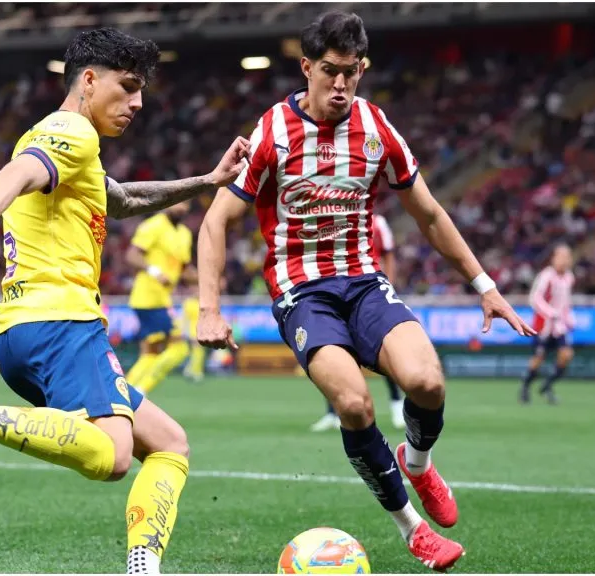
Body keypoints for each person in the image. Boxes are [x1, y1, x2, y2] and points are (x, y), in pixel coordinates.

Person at [0, 28, 249, 575]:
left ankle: (143, 564)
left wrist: (209, 180)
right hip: (62, 322)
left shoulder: (70, 147)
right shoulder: (71, 131)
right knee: (115, 456)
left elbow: (121, 199)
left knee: (168, 444)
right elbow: (15, 174)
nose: (138, 103)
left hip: (26, 331)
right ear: (89, 81)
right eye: (128, 87)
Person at [196, 12, 534, 572]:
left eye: (351, 72)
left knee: (426, 381)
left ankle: (419, 463)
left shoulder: (376, 128)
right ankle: (414, 531)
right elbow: (215, 222)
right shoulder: (272, 133)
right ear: (306, 67)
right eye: (329, 71)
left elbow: (427, 212)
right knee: (353, 403)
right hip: (302, 293)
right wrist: (210, 309)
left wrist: (485, 286)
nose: (340, 85)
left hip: (364, 283)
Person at [311, 213, 405, 430]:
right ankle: (333, 412)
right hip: (339, 293)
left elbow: (388, 255)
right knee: (335, 351)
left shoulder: (378, 222)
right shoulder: (333, 219)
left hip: (371, 294)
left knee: (382, 350)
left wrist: (388, 285)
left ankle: (396, 403)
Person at [125, 201, 196, 394]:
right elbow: (132, 255)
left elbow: (185, 269)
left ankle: (123, 392)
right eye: (177, 202)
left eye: (185, 203)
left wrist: (209, 279)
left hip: (162, 299)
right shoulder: (153, 225)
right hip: (148, 297)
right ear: (167, 203)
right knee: (179, 348)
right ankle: (140, 391)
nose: (181, 207)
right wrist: (155, 271)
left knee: (150, 353)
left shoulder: (185, 234)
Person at [519, 244, 575, 405]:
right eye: (561, 257)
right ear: (554, 258)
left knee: (566, 355)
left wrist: (569, 317)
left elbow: (565, 302)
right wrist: (551, 313)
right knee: (538, 358)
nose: (565, 260)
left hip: (559, 327)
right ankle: (525, 386)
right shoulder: (546, 276)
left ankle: (547, 385)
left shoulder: (569, 277)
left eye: (567, 257)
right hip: (543, 325)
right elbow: (535, 298)